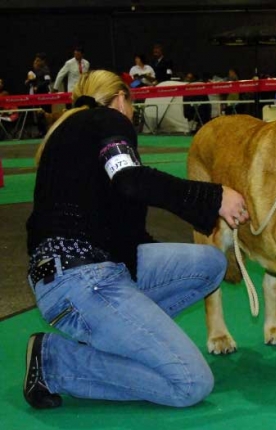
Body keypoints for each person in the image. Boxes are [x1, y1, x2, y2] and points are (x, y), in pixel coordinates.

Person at [23, 69, 250, 409]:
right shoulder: (110, 121)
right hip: (84, 281)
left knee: (210, 263)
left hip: (74, 273)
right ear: (120, 99)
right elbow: (130, 179)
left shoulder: (68, 134)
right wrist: (214, 197)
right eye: (132, 105)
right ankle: (55, 362)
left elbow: (123, 226)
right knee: (190, 383)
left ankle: (114, 337)